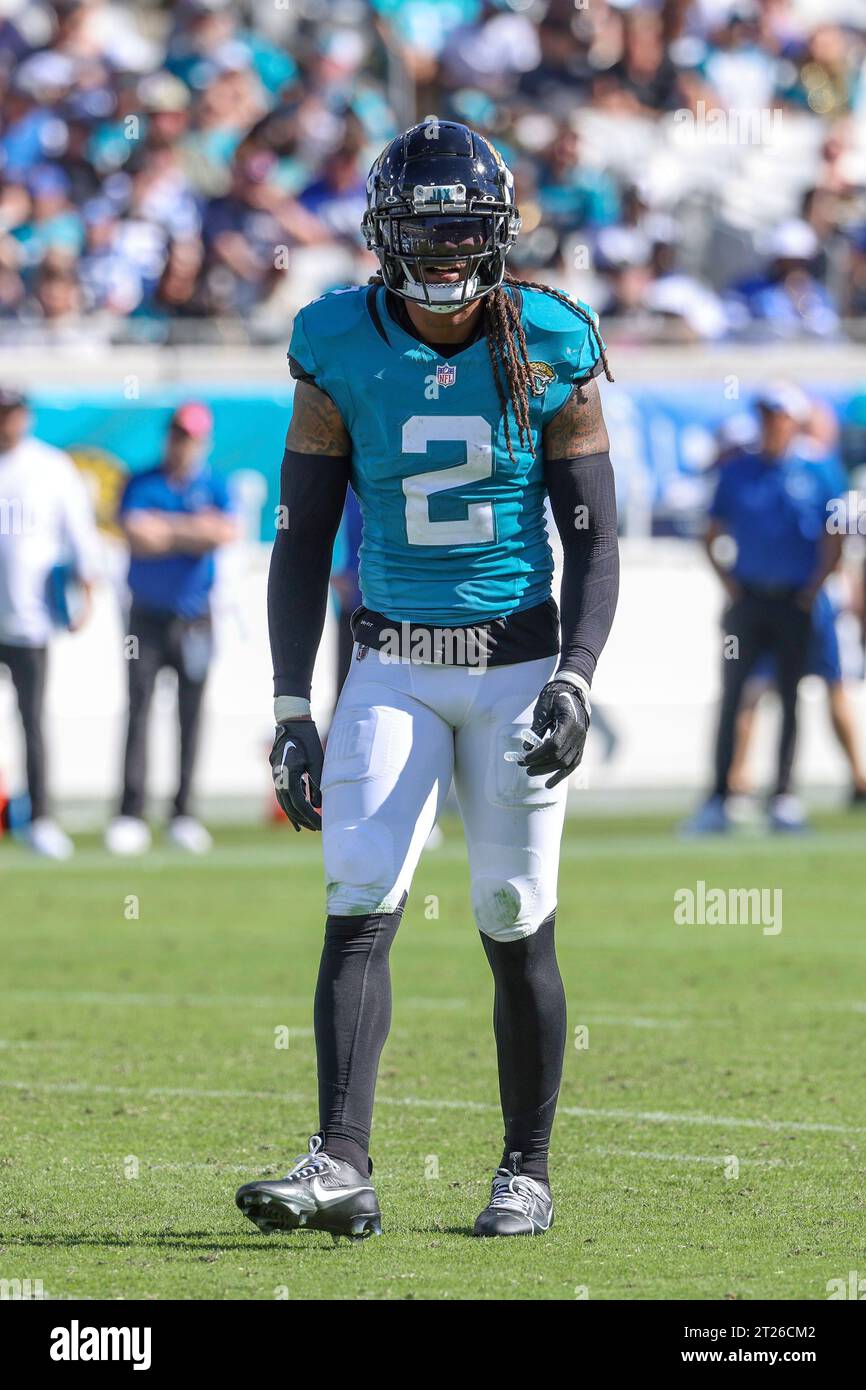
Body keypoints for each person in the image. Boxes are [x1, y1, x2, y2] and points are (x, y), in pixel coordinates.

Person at [236, 121, 619, 1242]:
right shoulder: (334, 340)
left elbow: (594, 534)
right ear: (381, 234)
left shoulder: (550, 335)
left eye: (466, 229)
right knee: (355, 897)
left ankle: (524, 1170)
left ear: (500, 232)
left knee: (513, 913)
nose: (449, 253)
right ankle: (339, 1164)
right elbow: (300, 537)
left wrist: (580, 679)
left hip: (516, 660)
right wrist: (290, 705)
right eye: (428, 228)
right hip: (390, 660)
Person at [687, 383, 846, 834]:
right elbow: (710, 532)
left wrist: (815, 587)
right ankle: (720, 797)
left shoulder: (819, 471)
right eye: (764, 416)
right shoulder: (739, 472)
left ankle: (783, 796)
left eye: (777, 416)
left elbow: (835, 536)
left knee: (792, 698)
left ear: (792, 421)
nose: (769, 424)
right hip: (750, 601)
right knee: (734, 695)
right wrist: (731, 586)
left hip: (796, 602)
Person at [105, 401, 237, 856]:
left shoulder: (214, 483)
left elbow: (223, 532)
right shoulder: (141, 481)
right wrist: (191, 532)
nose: (182, 445)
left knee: (191, 714)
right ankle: (130, 811)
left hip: (196, 617)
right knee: (139, 709)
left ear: (203, 442)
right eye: (178, 435)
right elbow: (138, 535)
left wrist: (170, 531)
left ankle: (183, 811)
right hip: (146, 616)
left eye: (191, 437)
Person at [0, 386, 98, 858]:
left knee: (32, 720)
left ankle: (39, 817)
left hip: (28, 618)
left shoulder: (50, 467)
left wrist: (87, 594)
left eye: (12, 413)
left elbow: (78, 532)